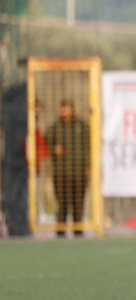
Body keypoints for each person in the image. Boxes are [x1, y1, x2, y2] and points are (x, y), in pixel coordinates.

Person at [46, 99, 90, 237]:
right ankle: (60, 231)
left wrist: (89, 167)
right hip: (62, 172)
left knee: (79, 204)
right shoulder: (54, 128)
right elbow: (46, 147)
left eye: (68, 108)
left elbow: (90, 147)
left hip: (79, 172)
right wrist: (54, 150)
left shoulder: (82, 126)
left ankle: (78, 230)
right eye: (63, 108)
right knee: (62, 204)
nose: (65, 111)